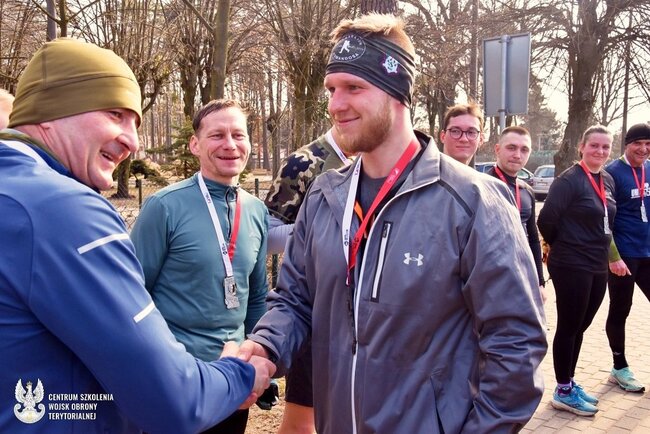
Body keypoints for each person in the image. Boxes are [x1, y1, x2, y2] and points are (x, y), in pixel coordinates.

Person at [239, 13, 547, 433]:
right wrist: (265, 346)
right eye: (331, 89)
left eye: (354, 88)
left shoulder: (473, 201)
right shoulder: (325, 195)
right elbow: (295, 300)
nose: (335, 105)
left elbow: (515, 342)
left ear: (397, 93)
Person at [0, 38, 274, 433]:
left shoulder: (15, 191)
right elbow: (173, 400)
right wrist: (242, 374)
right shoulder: (63, 207)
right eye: (115, 114)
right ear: (52, 109)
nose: (133, 141)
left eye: (135, 122)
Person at [130, 99, 269, 434]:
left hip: (233, 377)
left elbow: (257, 297)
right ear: (195, 144)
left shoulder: (256, 210)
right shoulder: (164, 206)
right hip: (175, 376)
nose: (230, 145)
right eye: (217, 135)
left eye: (238, 135)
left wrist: (260, 361)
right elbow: (132, 294)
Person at [264, 128, 353, 434]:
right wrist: (322, 230)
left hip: (361, 314)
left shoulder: (378, 161)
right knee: (302, 422)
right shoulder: (303, 162)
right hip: (313, 308)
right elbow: (268, 235)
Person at [538, 125, 616, 416]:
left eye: (605, 147)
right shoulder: (569, 180)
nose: (600, 151)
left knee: (581, 325)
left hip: (597, 263)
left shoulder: (606, 179)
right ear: (582, 147)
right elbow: (546, 220)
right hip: (571, 263)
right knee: (569, 326)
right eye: (594, 145)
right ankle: (562, 390)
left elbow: (607, 221)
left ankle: (569, 381)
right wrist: (565, 244)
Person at [604, 122, 650, 393]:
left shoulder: (649, 168)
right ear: (626, 144)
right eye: (637, 143)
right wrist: (613, 256)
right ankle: (619, 367)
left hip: (647, 252)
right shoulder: (612, 173)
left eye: (648, 144)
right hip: (623, 256)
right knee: (621, 309)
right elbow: (603, 219)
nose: (643, 149)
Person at [487, 126, 547, 302]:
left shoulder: (527, 190)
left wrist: (540, 282)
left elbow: (533, 238)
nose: (517, 155)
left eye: (524, 150)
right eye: (511, 148)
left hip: (523, 275)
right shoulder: (480, 186)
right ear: (497, 149)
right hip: (491, 280)